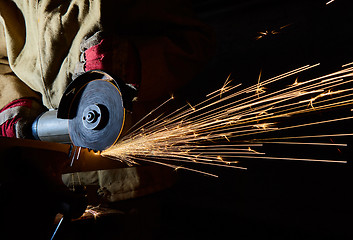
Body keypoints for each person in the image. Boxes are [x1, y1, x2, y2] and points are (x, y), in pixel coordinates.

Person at [0, 0, 214, 237]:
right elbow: (2, 62)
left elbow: (194, 43)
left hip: (130, 179)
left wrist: (131, 62)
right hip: (48, 183)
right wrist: (15, 106)